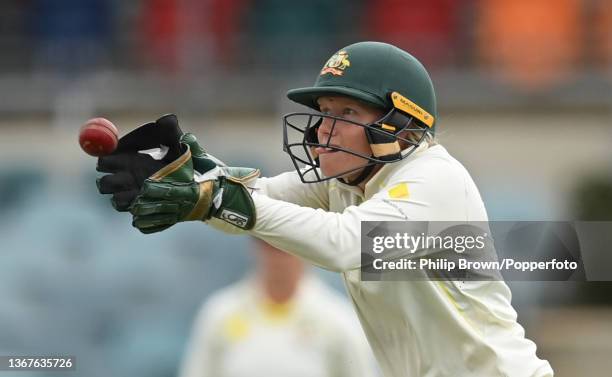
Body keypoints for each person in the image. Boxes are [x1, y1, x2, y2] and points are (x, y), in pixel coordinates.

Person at [97, 41, 554, 376]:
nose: (323, 131)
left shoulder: (436, 179)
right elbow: (258, 205)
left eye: (347, 114)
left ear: (400, 125)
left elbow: (346, 245)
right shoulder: (350, 181)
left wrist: (219, 196)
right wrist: (197, 182)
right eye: (324, 112)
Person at [178, 239, 375, 377]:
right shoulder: (219, 313)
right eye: (269, 245)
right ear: (254, 247)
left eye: (288, 246)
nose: (279, 257)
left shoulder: (340, 320)